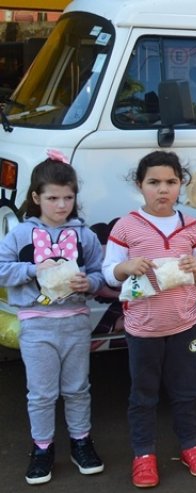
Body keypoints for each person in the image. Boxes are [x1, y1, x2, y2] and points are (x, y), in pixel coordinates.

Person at [102, 151, 196, 488]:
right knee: (144, 395)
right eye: (154, 182)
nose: (162, 190)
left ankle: (191, 445)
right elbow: (109, 273)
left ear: (181, 185)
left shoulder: (193, 228)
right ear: (140, 185)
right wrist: (125, 268)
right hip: (143, 328)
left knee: (187, 392)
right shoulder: (126, 227)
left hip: (185, 323)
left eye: (170, 182)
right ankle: (144, 454)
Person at [0, 157, 105, 485]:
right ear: (36, 198)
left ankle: (81, 443)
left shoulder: (84, 235)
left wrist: (89, 284)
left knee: (77, 389)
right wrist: (33, 269)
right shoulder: (20, 234)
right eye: (53, 198)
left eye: (68, 198)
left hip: (75, 321)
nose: (62, 205)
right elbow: (1, 268)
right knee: (41, 393)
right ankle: (42, 447)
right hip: (37, 324)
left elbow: (101, 275)